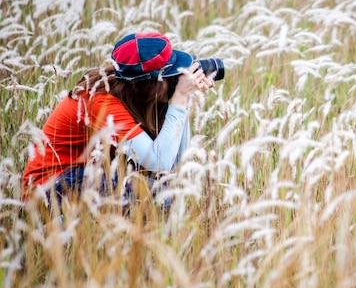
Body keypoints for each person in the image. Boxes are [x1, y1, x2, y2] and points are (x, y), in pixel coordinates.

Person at [22, 32, 214, 210]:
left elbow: (176, 164)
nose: (175, 79)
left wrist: (185, 99)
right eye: (169, 75)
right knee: (158, 197)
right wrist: (179, 97)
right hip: (46, 192)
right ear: (145, 85)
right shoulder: (100, 102)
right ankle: (52, 231)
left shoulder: (136, 96)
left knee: (164, 191)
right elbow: (160, 161)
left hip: (85, 175)